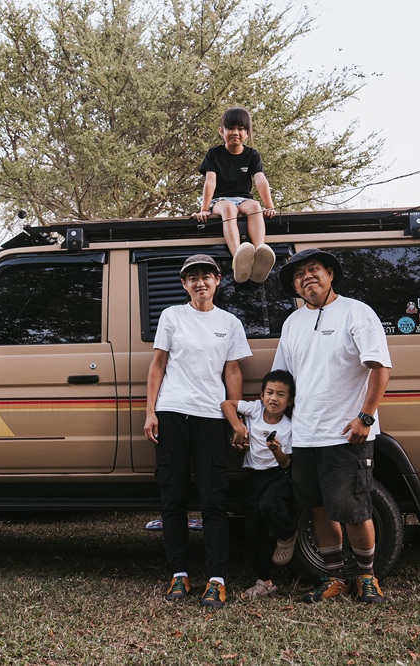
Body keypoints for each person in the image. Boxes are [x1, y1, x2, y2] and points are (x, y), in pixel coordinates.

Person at [271, 248, 392, 604]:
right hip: (306, 434)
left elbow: (380, 367)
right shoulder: (292, 323)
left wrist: (366, 417)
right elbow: (283, 379)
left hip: (347, 432)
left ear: (330, 274)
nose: (306, 277)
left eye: (313, 270)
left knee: (354, 509)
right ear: (295, 287)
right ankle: (335, 578)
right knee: (318, 509)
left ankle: (367, 577)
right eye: (299, 275)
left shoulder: (356, 312)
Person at [144, 253, 252, 609]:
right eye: (192, 277)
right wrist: (150, 412)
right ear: (184, 284)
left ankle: (216, 579)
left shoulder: (230, 323)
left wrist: (235, 418)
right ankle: (179, 574)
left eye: (206, 276)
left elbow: (232, 371)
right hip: (172, 413)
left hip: (211, 417)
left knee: (213, 499)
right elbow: (158, 365)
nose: (200, 282)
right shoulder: (172, 316)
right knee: (173, 497)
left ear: (218, 280)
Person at [221, 369, 295, 600]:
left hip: (278, 474)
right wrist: (237, 426)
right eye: (269, 393)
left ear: (289, 401)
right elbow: (227, 404)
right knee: (253, 528)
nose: (274, 398)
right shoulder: (254, 409)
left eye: (281, 394)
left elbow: (286, 463)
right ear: (261, 396)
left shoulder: (288, 427)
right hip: (254, 475)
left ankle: (287, 534)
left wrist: (276, 450)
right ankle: (265, 580)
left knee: (269, 505)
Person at [193, 107, 278, 284]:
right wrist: (204, 209)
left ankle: (259, 252)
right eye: (230, 128)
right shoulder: (214, 153)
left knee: (255, 206)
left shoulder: (252, 155)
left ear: (247, 133)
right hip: (220, 201)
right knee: (229, 209)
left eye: (241, 129)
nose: (235, 133)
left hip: (244, 199)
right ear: (221, 131)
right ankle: (238, 257)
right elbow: (210, 182)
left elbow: (260, 181)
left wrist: (269, 206)